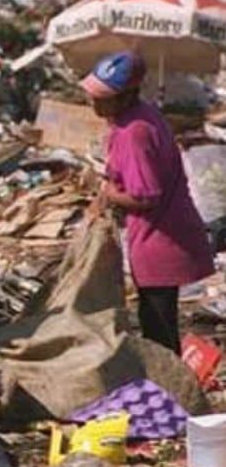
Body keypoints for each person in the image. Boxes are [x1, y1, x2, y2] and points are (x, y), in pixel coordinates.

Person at [84, 51, 213, 353]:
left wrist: (106, 192)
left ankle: (171, 393)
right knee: (159, 318)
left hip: (159, 240)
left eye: (101, 97)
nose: (93, 102)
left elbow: (145, 195)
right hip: (168, 232)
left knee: (158, 327)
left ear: (125, 96)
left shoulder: (134, 132)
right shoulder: (142, 115)